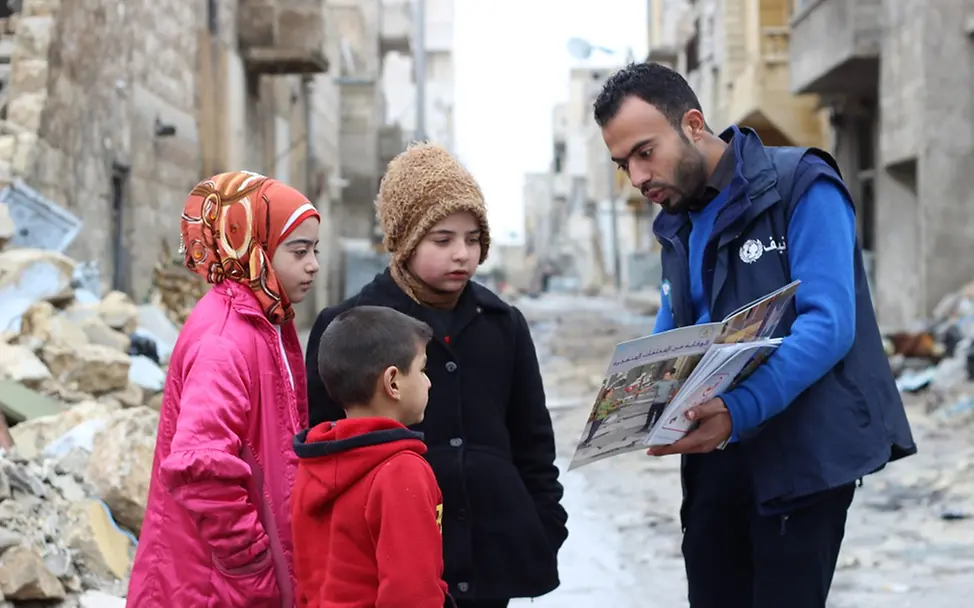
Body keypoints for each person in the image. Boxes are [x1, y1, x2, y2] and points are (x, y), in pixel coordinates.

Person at [593, 62, 916, 608]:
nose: (638, 177)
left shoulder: (800, 184)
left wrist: (739, 410)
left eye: (645, 152)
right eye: (623, 164)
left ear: (693, 124)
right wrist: (642, 398)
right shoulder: (677, 219)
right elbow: (677, 329)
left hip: (803, 459)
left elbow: (829, 325)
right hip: (716, 464)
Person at [305, 143, 568, 608]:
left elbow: (532, 441)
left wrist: (547, 523)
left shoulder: (502, 324)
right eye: (442, 240)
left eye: (473, 239)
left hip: (492, 559)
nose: (462, 254)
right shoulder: (348, 328)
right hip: (389, 567)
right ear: (405, 239)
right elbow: (324, 453)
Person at [127, 171, 320, 608]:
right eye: (299, 250)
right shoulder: (225, 339)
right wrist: (250, 564)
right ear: (251, 244)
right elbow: (201, 468)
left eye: (315, 249)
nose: (314, 264)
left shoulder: (265, 319)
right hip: (209, 583)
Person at [292, 305, 454, 607]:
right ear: (393, 382)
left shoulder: (314, 462)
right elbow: (412, 594)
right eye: (422, 369)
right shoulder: (401, 470)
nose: (429, 381)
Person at [639, 368, 678, 432]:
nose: (665, 377)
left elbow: (675, 390)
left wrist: (672, 399)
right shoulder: (660, 382)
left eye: (667, 375)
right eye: (665, 375)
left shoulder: (673, 382)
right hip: (655, 401)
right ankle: (646, 426)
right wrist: (639, 392)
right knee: (650, 414)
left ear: (671, 376)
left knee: (658, 415)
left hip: (662, 402)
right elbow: (649, 388)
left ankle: (654, 428)